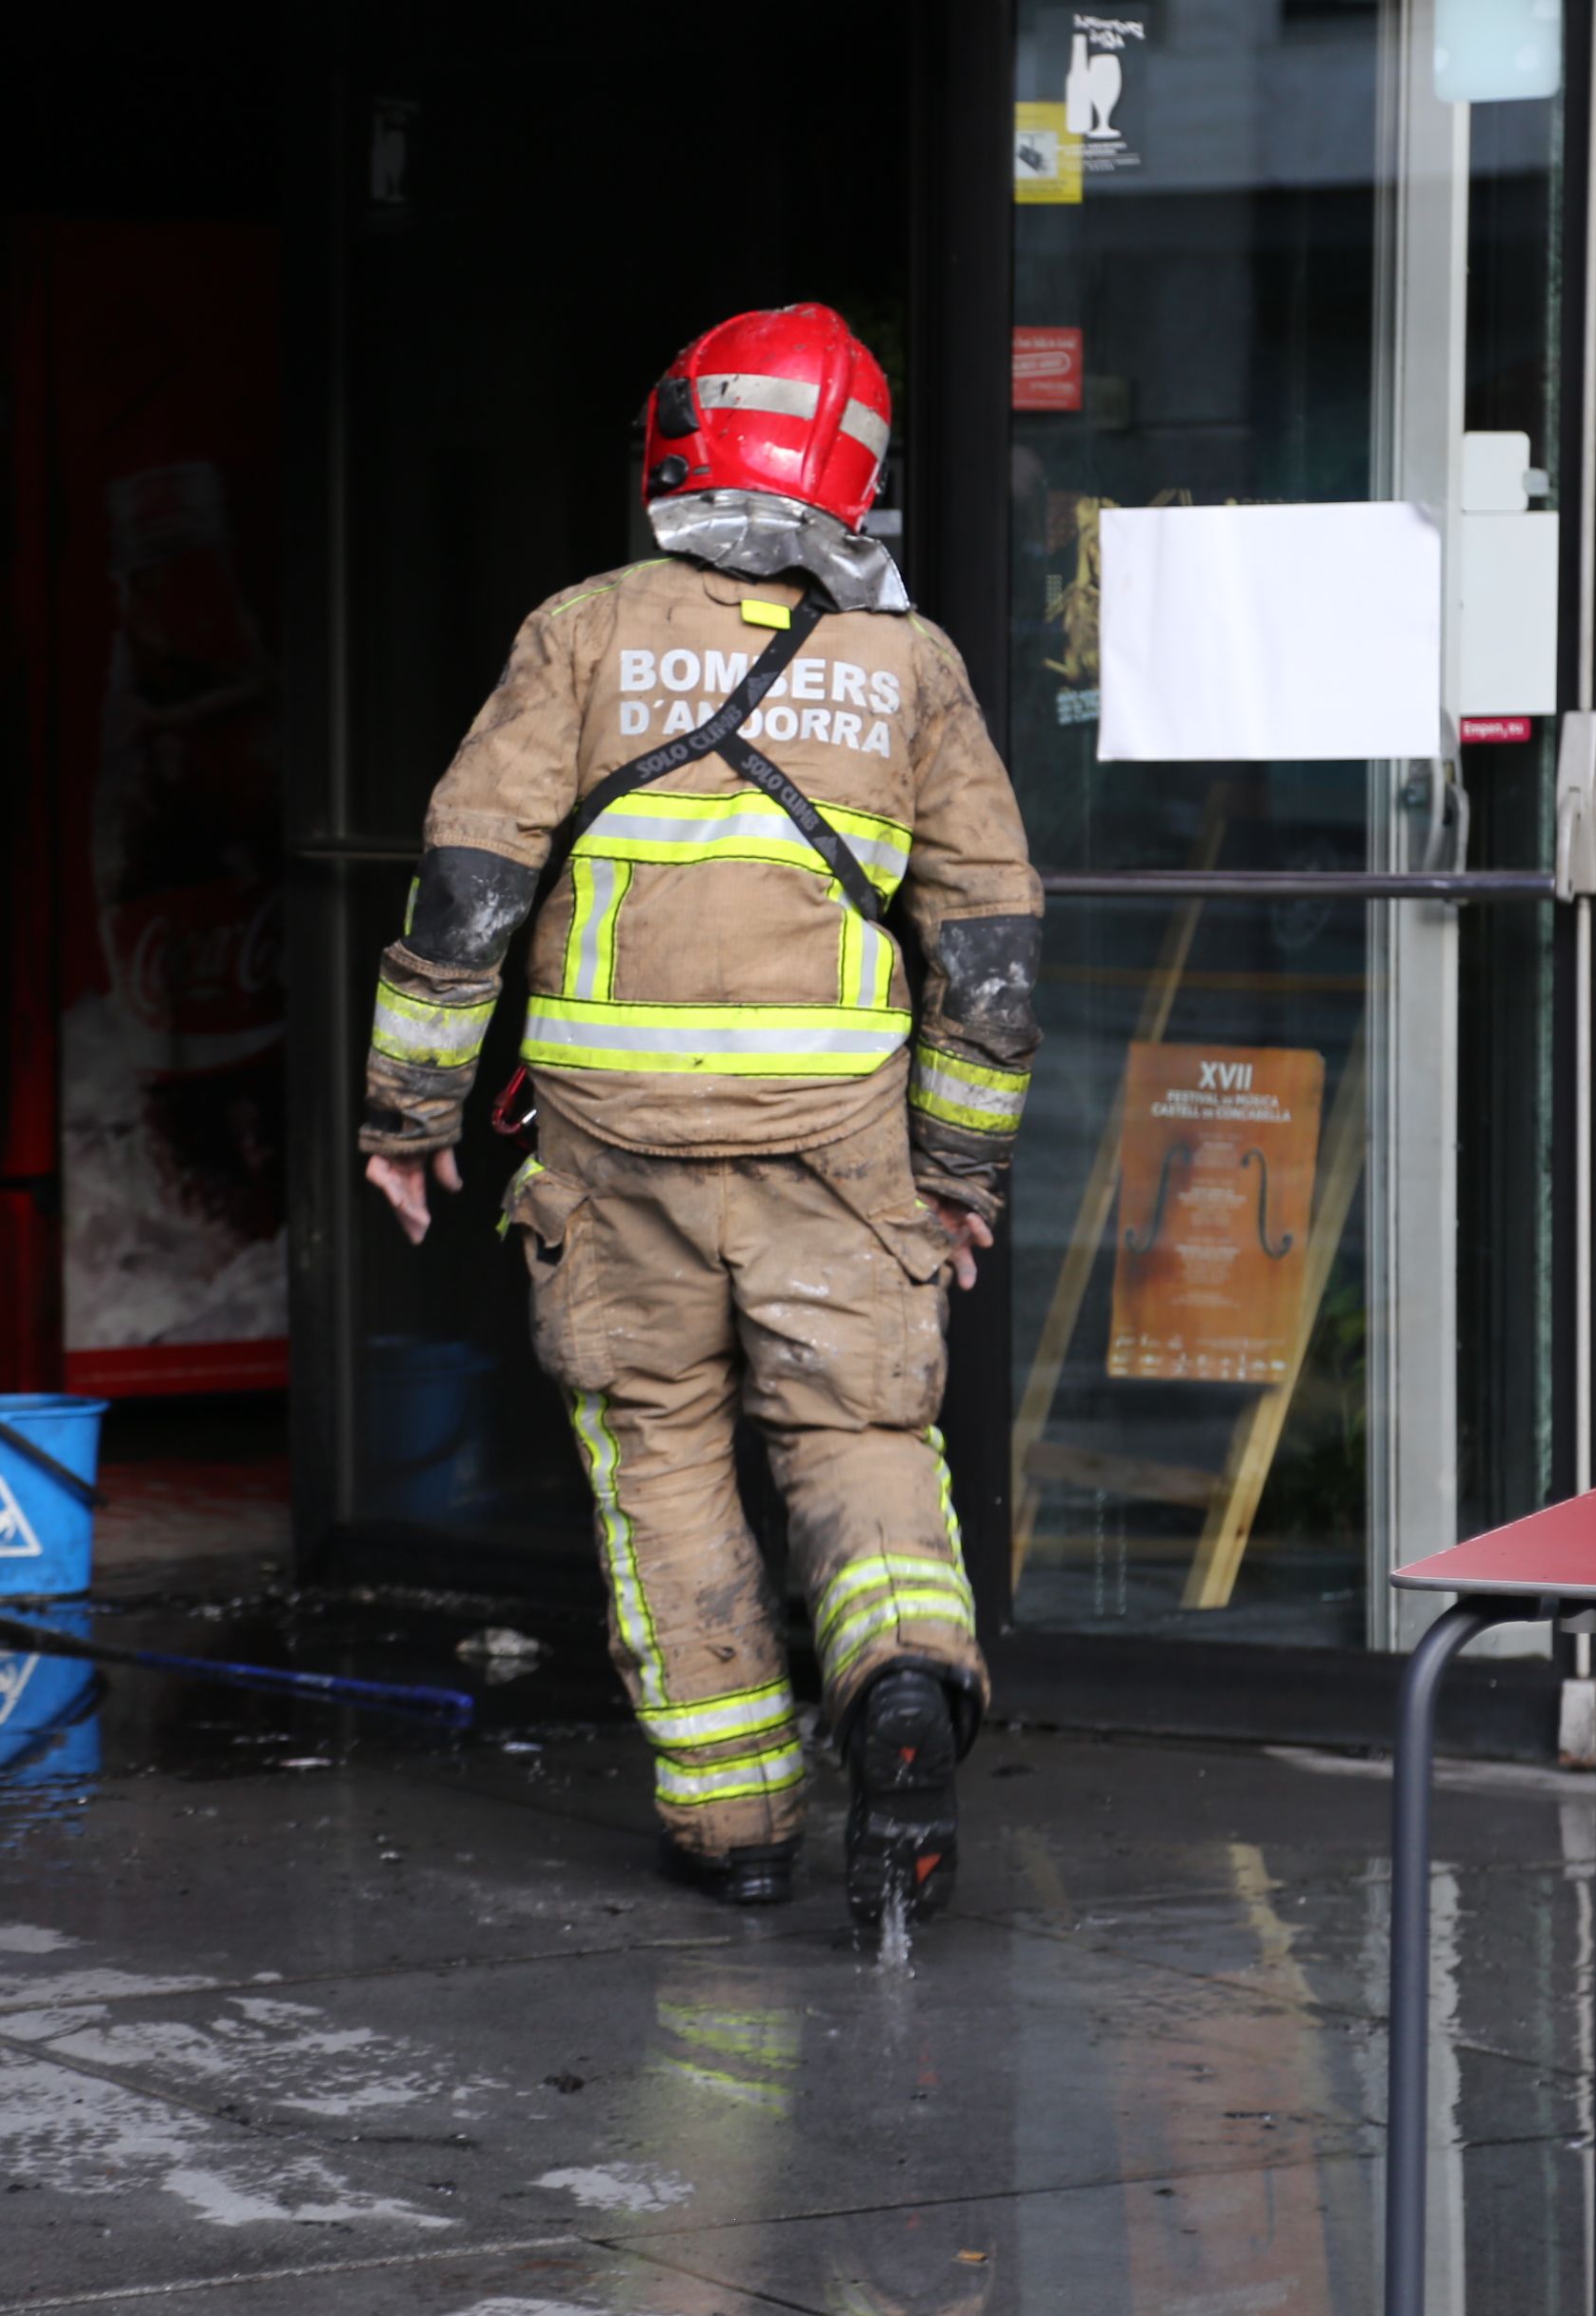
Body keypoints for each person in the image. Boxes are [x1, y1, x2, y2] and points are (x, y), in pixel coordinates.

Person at [356, 304, 1040, 1930]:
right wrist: (958, 1167)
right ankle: (899, 1679)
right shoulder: (912, 670)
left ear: (683, 438)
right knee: (859, 1435)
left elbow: (468, 888)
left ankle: (738, 1824)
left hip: (612, 1154)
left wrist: (410, 1110)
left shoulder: (580, 632)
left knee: (658, 1454)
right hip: (839, 1154)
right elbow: (991, 944)